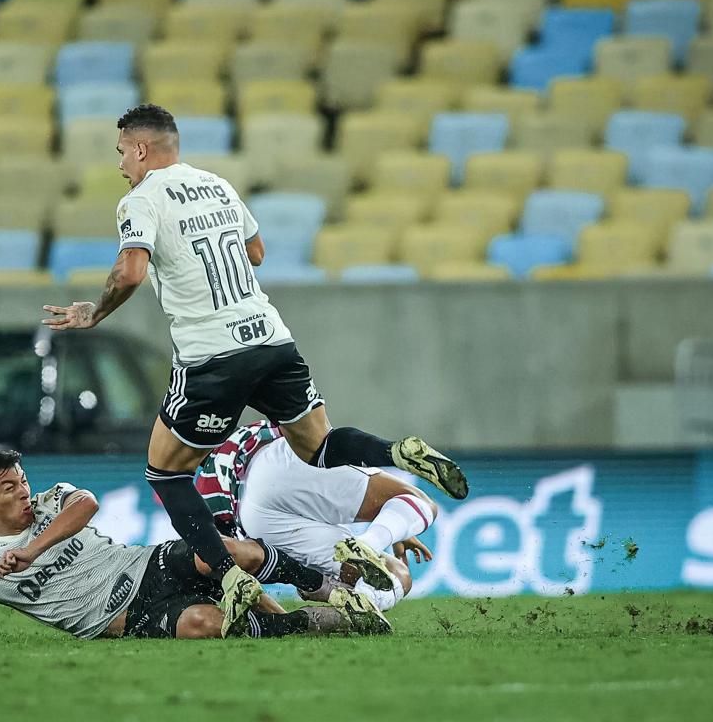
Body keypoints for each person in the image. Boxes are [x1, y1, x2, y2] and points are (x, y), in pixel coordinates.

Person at [41, 103, 469, 634]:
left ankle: (229, 576)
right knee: (320, 446)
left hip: (211, 354)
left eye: (122, 151)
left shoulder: (140, 199)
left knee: (166, 471)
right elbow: (257, 252)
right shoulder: (218, 186)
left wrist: (94, 311)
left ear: (142, 149)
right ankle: (398, 452)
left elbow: (130, 271)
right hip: (271, 338)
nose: (121, 163)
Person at [0, 449, 390, 642]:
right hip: (117, 617)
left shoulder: (56, 500)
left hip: (143, 564)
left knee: (225, 550)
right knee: (205, 625)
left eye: (22, 479)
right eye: (9, 487)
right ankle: (322, 624)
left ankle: (327, 588)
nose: (24, 490)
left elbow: (88, 506)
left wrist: (32, 551)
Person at [197, 421, 438, 611]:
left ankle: (351, 613)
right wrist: (397, 526)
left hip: (256, 522)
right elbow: (315, 439)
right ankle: (367, 543)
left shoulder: (201, 490)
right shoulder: (249, 431)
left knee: (396, 576)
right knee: (420, 504)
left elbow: (234, 559)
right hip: (277, 461)